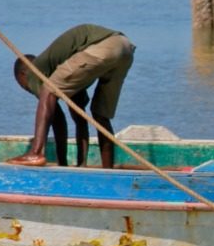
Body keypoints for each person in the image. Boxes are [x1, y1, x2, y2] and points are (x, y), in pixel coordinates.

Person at [8, 23, 135, 168]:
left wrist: (62, 163)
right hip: (124, 47)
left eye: (22, 85)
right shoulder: (71, 73)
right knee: (100, 115)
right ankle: (108, 170)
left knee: (48, 91)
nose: (28, 89)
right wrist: (81, 164)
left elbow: (58, 120)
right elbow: (80, 118)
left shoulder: (33, 72)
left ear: (22, 75)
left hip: (101, 46)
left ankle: (35, 153)